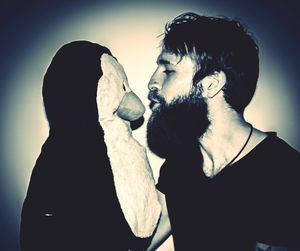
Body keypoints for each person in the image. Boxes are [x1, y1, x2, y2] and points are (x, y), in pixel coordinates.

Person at [145, 12, 300, 251]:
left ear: (211, 84)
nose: (152, 84)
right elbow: (140, 238)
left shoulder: (283, 173)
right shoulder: (179, 166)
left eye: (168, 70)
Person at [20, 40, 160, 251]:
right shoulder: (64, 151)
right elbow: (38, 222)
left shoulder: (123, 144)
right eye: (119, 87)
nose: (137, 104)